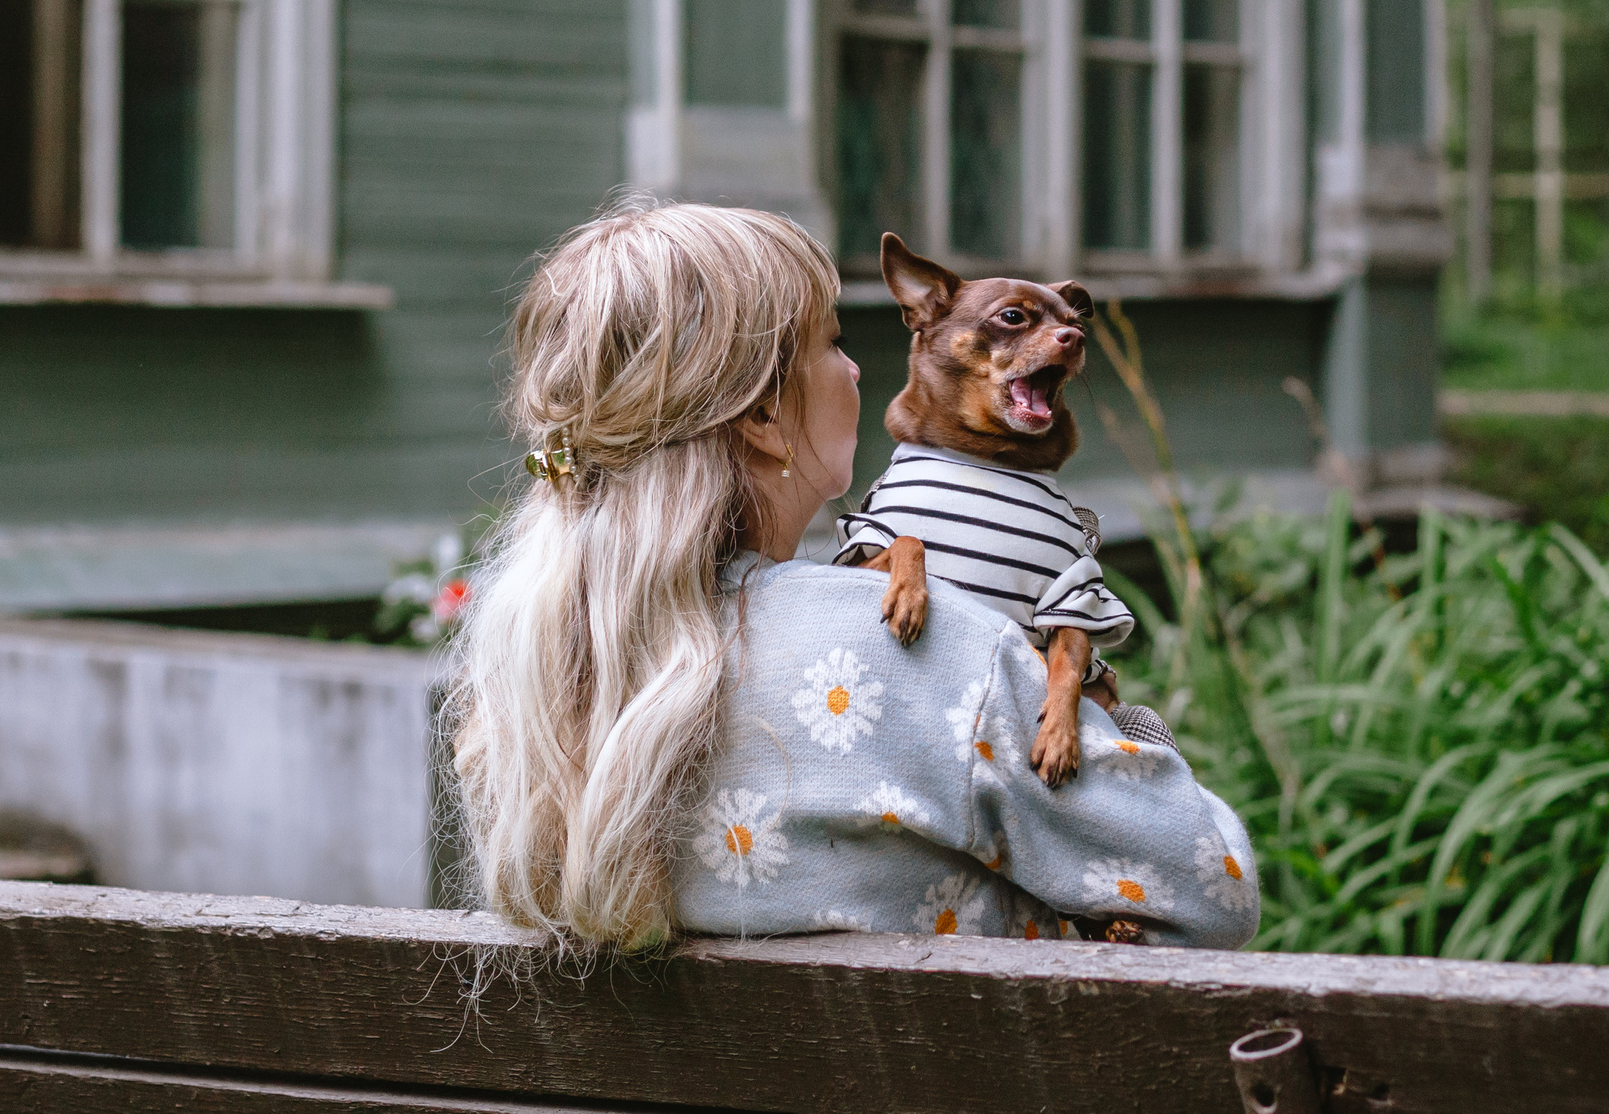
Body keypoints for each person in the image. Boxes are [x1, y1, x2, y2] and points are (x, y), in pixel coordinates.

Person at [446, 199, 1259, 950]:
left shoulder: (539, 687)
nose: (860, 368)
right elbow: (1215, 891)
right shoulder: (929, 649)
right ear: (764, 417)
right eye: (833, 343)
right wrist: (1132, 731)